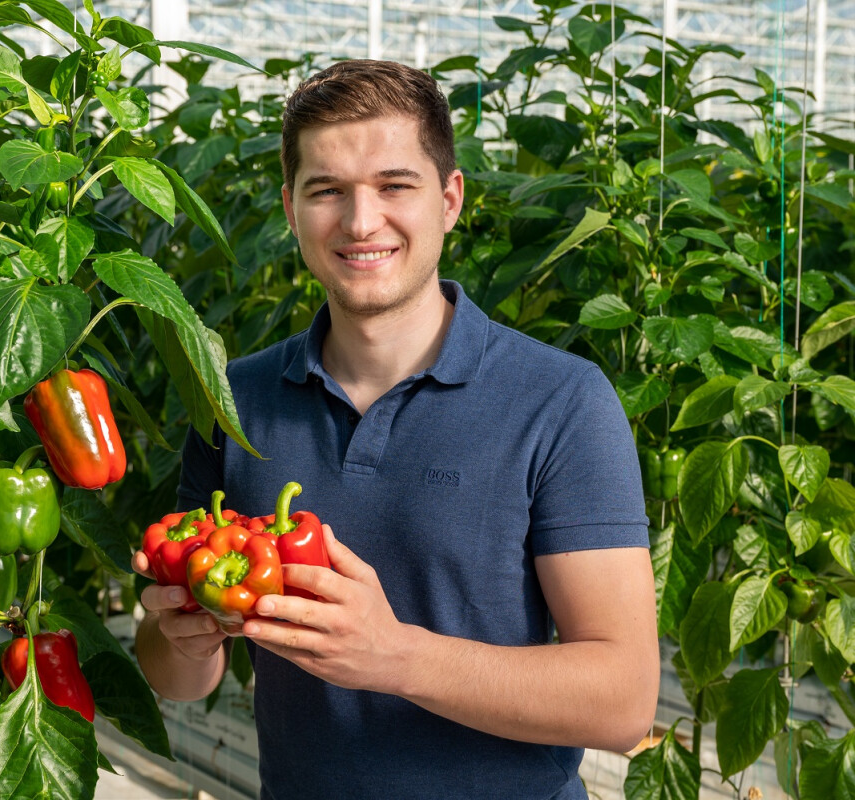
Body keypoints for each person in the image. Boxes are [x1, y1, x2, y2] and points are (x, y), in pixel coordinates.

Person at [132, 59, 659, 799]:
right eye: (326, 191)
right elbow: (178, 679)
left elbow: (623, 698)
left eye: (394, 185)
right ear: (290, 209)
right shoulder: (234, 398)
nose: (359, 221)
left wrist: (393, 657)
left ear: (449, 200)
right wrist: (179, 636)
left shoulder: (561, 401)